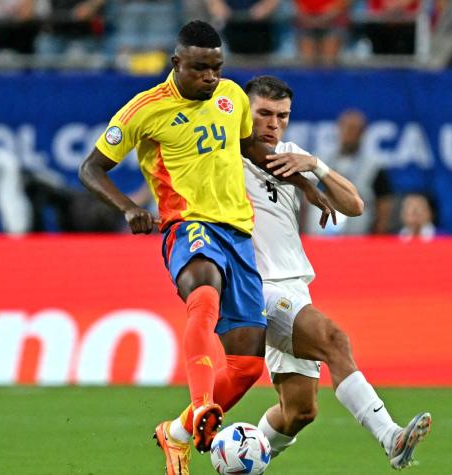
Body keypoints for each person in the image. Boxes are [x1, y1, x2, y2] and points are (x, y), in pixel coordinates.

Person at [78, 20, 335, 475]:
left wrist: (304, 185)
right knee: (204, 294)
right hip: (188, 226)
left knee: (245, 366)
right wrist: (126, 208)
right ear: (176, 63)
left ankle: (175, 433)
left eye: (216, 67)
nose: (210, 77)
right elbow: (91, 169)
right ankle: (201, 407)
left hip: (239, 235)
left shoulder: (232, 97)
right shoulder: (144, 110)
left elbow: (252, 151)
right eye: (199, 68)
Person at [243, 75, 431, 470]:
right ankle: (391, 437)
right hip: (257, 286)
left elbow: (355, 206)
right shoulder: (226, 157)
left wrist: (315, 165)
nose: (274, 124)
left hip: (295, 286)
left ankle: (242, 460)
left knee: (299, 412)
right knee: (335, 340)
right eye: (264, 114)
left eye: (282, 116)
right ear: (245, 112)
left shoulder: (290, 154)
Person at [311, 108, 395, 235]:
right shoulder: (318, 161)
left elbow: (383, 202)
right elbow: (306, 198)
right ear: (339, 129)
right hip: (318, 237)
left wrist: (379, 235)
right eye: (347, 128)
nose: (350, 133)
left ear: (363, 133)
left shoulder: (374, 166)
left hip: (358, 239)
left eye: (356, 129)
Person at [205, 0, 281, 55]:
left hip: (262, 31)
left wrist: (265, 7)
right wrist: (217, 5)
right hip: (229, 30)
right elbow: (215, 4)